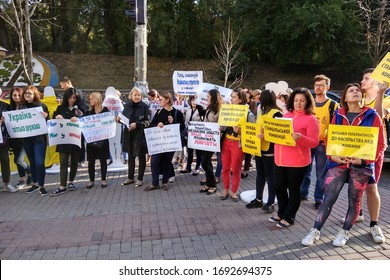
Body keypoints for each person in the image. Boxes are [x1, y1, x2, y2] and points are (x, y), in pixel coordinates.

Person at [301, 83, 386, 247]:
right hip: (339, 163)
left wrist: (364, 161)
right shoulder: (338, 115)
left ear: (361, 96)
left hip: (362, 165)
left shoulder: (372, 115)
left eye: (357, 91)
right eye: (351, 91)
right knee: (328, 198)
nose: (355, 92)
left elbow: (381, 144)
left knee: (354, 200)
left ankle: (345, 231)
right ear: (345, 98)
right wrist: (333, 155)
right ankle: (315, 230)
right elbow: (330, 139)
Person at [269, 87, 319, 228]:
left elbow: (314, 142)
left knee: (293, 189)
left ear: (308, 102)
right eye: (296, 100)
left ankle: (289, 217)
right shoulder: (286, 115)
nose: (298, 103)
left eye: (302, 100)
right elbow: (278, 134)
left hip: (298, 162)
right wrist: (265, 134)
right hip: (280, 159)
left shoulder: (311, 119)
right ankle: (281, 212)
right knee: (278, 187)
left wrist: (301, 138)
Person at [352, 68, 388, 243]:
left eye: (366, 78)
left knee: (371, 187)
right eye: (363, 78)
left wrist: (381, 94)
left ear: (375, 81)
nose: (363, 81)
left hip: (374, 150)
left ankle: (374, 224)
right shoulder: (360, 99)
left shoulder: (385, 99)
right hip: (357, 149)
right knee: (357, 184)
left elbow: (378, 118)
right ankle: (358, 213)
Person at [300, 75, 339, 209]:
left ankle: (318, 198)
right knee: (305, 169)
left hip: (322, 143)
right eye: (316, 85)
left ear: (328, 87)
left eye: (322, 85)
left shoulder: (333, 105)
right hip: (307, 142)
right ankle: (302, 193)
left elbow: (336, 127)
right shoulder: (308, 104)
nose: (318, 87)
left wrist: (330, 142)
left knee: (321, 173)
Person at [246, 89, 283, 212]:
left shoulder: (277, 113)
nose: (259, 99)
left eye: (261, 97)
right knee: (260, 175)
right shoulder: (261, 111)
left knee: (270, 177)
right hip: (259, 148)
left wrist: (266, 137)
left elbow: (279, 134)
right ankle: (258, 199)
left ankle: (271, 202)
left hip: (270, 149)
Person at [144, 91, 185, 191]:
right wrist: (158, 125)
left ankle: (165, 182)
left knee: (167, 161)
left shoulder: (177, 113)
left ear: (167, 100)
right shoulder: (159, 112)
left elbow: (182, 127)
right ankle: (155, 183)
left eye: (161, 99)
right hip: (159, 142)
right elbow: (151, 125)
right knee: (154, 161)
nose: (159, 101)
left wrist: (173, 122)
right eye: (159, 99)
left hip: (170, 142)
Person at [220, 89, 255, 202]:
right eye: (231, 96)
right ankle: (225, 189)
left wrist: (241, 131)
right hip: (226, 141)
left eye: (234, 97)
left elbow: (252, 130)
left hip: (238, 144)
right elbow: (222, 126)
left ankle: (234, 191)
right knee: (225, 167)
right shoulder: (227, 110)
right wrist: (221, 127)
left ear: (240, 99)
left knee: (236, 168)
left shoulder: (247, 113)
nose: (231, 99)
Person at [50, 88, 85, 196]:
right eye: (70, 98)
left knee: (74, 162)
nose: (72, 100)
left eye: (74, 98)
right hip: (63, 139)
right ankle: (62, 186)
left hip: (75, 139)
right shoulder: (60, 108)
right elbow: (52, 121)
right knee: (63, 162)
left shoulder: (80, 109)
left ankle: (71, 181)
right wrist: (57, 117)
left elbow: (86, 121)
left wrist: (79, 119)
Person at [119, 87, 150, 188]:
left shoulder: (145, 107)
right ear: (131, 96)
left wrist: (137, 124)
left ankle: (140, 179)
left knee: (141, 157)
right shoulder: (127, 106)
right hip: (129, 134)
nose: (137, 97)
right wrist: (119, 120)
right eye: (135, 95)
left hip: (140, 135)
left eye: (139, 95)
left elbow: (147, 121)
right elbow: (124, 118)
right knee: (131, 157)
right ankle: (130, 177)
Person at [22, 86, 50, 196]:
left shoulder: (42, 106)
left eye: (29, 93)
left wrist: (46, 116)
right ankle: (35, 183)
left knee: (39, 162)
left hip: (39, 139)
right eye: (25, 93)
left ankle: (42, 185)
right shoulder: (21, 107)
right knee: (32, 161)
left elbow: (48, 122)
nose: (27, 95)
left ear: (35, 94)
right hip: (27, 139)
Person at [85, 92, 110, 189]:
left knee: (103, 160)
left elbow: (109, 123)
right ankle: (91, 180)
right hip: (91, 140)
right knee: (91, 161)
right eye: (89, 99)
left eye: (92, 99)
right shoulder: (88, 112)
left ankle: (103, 179)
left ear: (97, 99)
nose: (90, 101)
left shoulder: (105, 111)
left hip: (103, 140)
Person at [8, 87, 32, 189]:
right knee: (16, 159)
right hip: (14, 138)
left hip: (25, 138)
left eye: (18, 95)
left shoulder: (26, 106)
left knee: (19, 160)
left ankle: (31, 173)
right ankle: (22, 178)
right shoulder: (9, 108)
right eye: (14, 95)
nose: (17, 97)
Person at [60, 76, 87, 164]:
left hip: (76, 121)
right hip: (71, 122)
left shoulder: (76, 92)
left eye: (62, 85)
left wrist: (78, 116)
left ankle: (80, 159)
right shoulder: (76, 91)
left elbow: (82, 108)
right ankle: (77, 159)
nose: (61, 87)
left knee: (79, 139)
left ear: (66, 83)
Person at [199, 89, 222, 195]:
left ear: (213, 98)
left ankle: (213, 185)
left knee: (204, 163)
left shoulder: (220, 110)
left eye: (208, 97)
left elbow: (221, 126)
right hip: (205, 139)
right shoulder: (208, 108)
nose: (207, 99)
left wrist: (219, 130)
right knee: (207, 162)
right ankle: (208, 184)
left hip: (213, 140)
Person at [180, 95, 205, 175]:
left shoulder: (201, 110)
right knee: (189, 151)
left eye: (195, 101)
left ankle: (197, 167)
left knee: (198, 152)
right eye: (192, 101)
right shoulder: (188, 110)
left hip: (198, 133)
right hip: (189, 133)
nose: (194, 102)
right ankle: (188, 167)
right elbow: (185, 120)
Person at [0, 98, 17, 193]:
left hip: (3, 139)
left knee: (5, 160)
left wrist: (4, 121)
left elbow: (11, 121)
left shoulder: (5, 106)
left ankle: (7, 183)